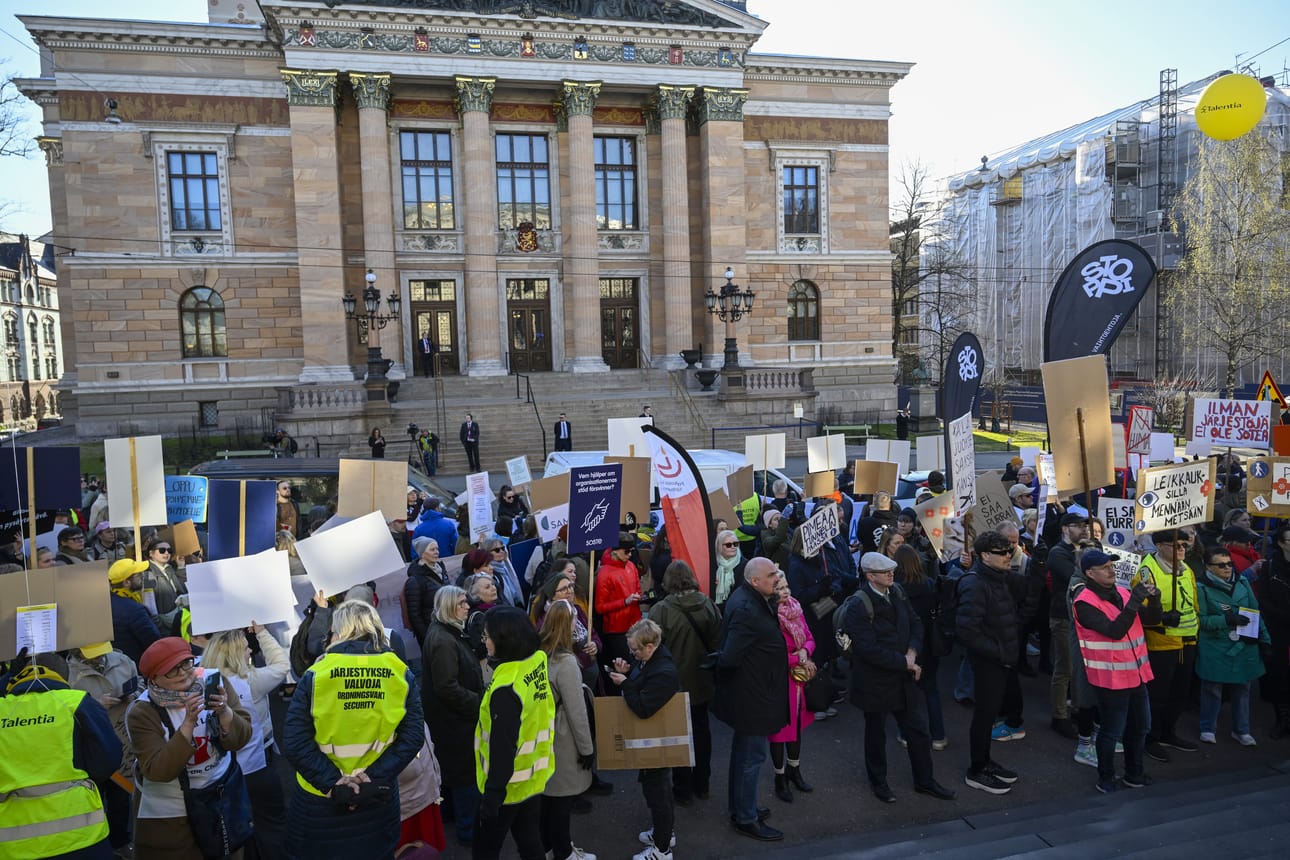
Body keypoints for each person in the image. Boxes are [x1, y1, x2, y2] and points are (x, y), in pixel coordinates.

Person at [283, 600, 423, 859]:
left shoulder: (316, 674)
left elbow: (294, 741)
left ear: (337, 632)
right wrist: (372, 777)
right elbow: (413, 737)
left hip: (320, 800)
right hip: (375, 796)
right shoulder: (400, 672)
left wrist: (334, 783)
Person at [843, 552, 956, 803]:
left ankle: (925, 780)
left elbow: (916, 623)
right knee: (876, 735)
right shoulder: (858, 605)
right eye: (884, 571)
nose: (891, 574)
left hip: (902, 679)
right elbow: (867, 649)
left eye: (891, 570)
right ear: (870, 576)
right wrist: (904, 662)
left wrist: (912, 652)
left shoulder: (898, 592)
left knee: (918, 731)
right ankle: (879, 783)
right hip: (875, 683)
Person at [127, 636, 254, 857]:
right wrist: (188, 724)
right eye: (171, 670)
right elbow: (158, 770)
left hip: (222, 800)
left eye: (186, 663)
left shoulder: (215, 682)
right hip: (172, 817)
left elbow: (242, 738)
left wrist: (225, 712)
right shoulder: (142, 711)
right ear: (154, 678)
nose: (183, 673)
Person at [0, 662, 120, 860]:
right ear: (64, 676)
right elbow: (107, 763)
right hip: (82, 835)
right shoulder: (78, 702)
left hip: (14, 843)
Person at [1071, 549, 1159, 793]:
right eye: (1105, 567)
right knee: (1111, 731)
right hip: (1110, 678)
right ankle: (1106, 777)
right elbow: (1115, 631)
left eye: (1112, 565)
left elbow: (1151, 620)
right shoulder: (1084, 602)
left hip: (1136, 673)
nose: (1112, 570)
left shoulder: (1122, 591)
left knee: (1141, 726)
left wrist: (1155, 600)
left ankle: (1134, 773)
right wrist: (1135, 601)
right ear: (1090, 573)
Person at [712, 557, 788, 842]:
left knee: (744, 754)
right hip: (752, 695)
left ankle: (742, 807)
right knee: (751, 757)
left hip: (753, 691)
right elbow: (730, 657)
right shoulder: (746, 608)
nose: (777, 577)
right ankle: (745, 818)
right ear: (755, 581)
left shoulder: (752, 599)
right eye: (771, 574)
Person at [202, 623, 292, 859]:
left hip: (221, 772)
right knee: (271, 824)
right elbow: (282, 665)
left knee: (237, 829)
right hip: (257, 768)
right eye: (244, 648)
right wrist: (261, 633)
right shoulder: (252, 680)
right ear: (233, 655)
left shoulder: (204, 682)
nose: (250, 651)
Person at [474, 606, 556, 860]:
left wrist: (491, 799)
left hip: (506, 788)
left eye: (487, 636)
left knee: (485, 852)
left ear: (504, 641)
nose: (484, 642)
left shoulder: (506, 688)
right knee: (530, 843)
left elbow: (502, 749)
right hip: (533, 776)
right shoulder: (536, 660)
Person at [604, 619, 680, 860]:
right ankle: (662, 833)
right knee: (656, 791)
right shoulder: (652, 660)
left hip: (657, 743)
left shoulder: (663, 672)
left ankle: (662, 850)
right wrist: (627, 674)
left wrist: (626, 683)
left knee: (659, 794)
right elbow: (643, 686)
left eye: (635, 650)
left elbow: (643, 708)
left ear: (650, 646)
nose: (632, 654)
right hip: (654, 741)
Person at [648, 560, 721, 805]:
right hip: (702, 679)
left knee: (679, 737)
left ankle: (683, 789)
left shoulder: (661, 610)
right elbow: (719, 640)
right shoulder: (708, 604)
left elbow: (652, 647)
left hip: (674, 683)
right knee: (702, 732)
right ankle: (703, 784)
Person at [957, 531, 1022, 795]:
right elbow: (967, 630)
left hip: (1000, 659)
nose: (1008, 556)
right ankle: (977, 770)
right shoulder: (975, 583)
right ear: (984, 555)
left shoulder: (998, 578)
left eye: (1010, 551)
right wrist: (998, 653)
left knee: (989, 712)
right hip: (988, 663)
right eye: (1002, 552)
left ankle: (985, 761)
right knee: (984, 716)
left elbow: (1028, 590)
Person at [421, 586, 485, 846]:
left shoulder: (447, 632)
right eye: (461, 603)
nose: (467, 607)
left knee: (453, 775)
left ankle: (454, 820)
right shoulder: (443, 640)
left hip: (452, 719)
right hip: (455, 722)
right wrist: (479, 703)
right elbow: (447, 687)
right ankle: (469, 832)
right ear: (448, 606)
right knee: (464, 777)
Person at [1131, 528, 1201, 763]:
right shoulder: (1147, 570)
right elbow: (1139, 608)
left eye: (1184, 545)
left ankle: (1168, 732)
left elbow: (1193, 603)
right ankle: (1150, 738)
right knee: (1158, 694)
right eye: (1176, 545)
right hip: (1161, 641)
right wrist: (1162, 618)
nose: (1182, 549)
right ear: (1160, 546)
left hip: (1186, 640)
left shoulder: (1186, 568)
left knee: (1179, 692)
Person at [65, 642, 140, 856]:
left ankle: (120, 842)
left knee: (121, 797)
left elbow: (141, 683)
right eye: (92, 654)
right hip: (90, 745)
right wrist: (95, 705)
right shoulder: (67, 674)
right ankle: (96, 845)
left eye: (101, 653)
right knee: (94, 795)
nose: (98, 658)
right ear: (76, 651)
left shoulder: (122, 661)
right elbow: (64, 712)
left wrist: (134, 694)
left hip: (122, 739)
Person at [538, 600, 598, 860]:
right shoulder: (567, 662)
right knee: (561, 802)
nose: (578, 623)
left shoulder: (540, 653)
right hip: (563, 739)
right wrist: (587, 749)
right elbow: (577, 712)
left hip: (544, 733)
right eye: (574, 619)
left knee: (547, 801)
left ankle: (548, 849)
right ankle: (564, 853)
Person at [1195, 544, 1271, 745]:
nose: (1227, 568)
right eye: (1220, 565)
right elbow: (1200, 620)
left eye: (1229, 563)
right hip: (1215, 645)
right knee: (1212, 689)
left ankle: (1241, 730)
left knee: (1243, 688)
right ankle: (1207, 727)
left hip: (1244, 644)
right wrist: (1226, 619)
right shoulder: (1200, 587)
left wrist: (1264, 639)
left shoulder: (1242, 581)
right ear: (1207, 567)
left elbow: (1255, 612)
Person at [767, 571, 817, 804]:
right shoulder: (770, 617)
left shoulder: (796, 608)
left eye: (786, 586)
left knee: (796, 727)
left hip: (798, 680)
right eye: (779, 588)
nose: (785, 592)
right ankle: (780, 778)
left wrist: (805, 651)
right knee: (779, 732)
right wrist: (799, 659)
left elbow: (810, 637)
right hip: (779, 681)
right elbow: (771, 657)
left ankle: (794, 770)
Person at [892, 544, 947, 749]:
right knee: (931, 691)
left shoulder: (894, 589)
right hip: (929, 644)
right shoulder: (929, 584)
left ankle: (907, 734)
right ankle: (938, 736)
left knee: (907, 694)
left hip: (905, 646)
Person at [1047, 513, 1089, 740]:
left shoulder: (1086, 548)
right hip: (1063, 616)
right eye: (1078, 525)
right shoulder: (1058, 553)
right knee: (1065, 668)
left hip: (1082, 617)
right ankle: (1059, 715)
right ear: (1065, 529)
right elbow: (1078, 578)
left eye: (1085, 525)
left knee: (1080, 668)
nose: (1084, 529)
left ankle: (1078, 708)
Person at [594, 533, 644, 670]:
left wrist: (640, 597)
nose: (630, 555)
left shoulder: (631, 566)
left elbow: (638, 590)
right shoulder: (605, 573)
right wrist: (624, 602)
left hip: (635, 624)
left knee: (637, 665)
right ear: (615, 551)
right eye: (626, 551)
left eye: (632, 551)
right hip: (617, 630)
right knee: (625, 667)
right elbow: (599, 607)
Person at [1258, 524, 1290, 737]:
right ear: (1281, 543)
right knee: (1280, 676)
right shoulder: (1270, 568)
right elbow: (1263, 600)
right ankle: (1283, 720)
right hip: (1278, 631)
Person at [108, 558, 162, 665]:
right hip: (136, 665)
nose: (142, 576)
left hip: (115, 664)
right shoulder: (134, 610)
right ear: (126, 582)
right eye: (138, 575)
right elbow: (153, 641)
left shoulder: (106, 601)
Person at [713, 529, 747, 607]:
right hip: (716, 606)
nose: (733, 547)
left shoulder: (745, 564)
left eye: (735, 544)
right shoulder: (714, 563)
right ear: (719, 547)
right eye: (728, 545)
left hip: (736, 606)